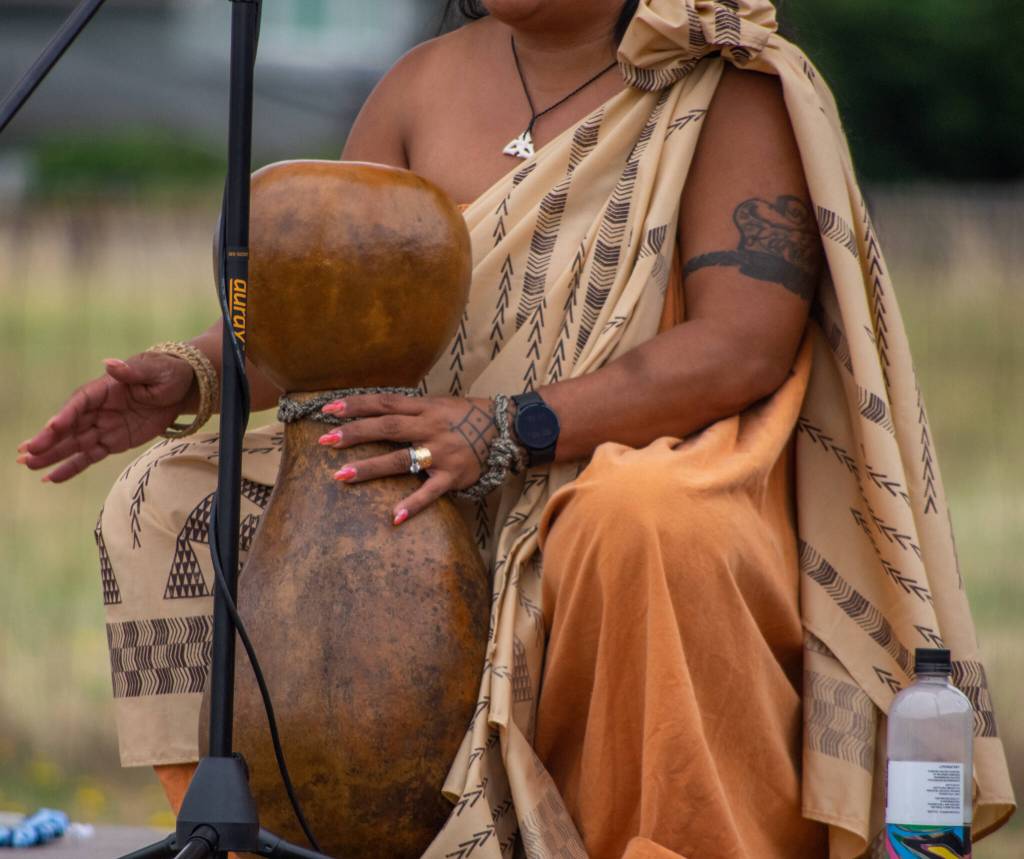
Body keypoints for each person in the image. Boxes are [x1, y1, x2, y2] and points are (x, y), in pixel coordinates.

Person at [16, 1, 1014, 857]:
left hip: (633, 454)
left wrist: (507, 428)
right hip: (420, 456)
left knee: (636, 518)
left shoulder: (727, 88)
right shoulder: (419, 86)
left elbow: (738, 349)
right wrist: (191, 373)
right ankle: (255, 833)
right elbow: (332, 313)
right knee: (167, 499)